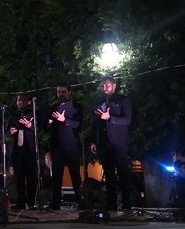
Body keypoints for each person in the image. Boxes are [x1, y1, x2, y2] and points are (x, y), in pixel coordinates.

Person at [89, 76, 133, 211]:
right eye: (102, 86)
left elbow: (126, 120)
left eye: (107, 86)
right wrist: (93, 140)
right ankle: (111, 203)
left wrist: (110, 118)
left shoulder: (123, 99)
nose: (104, 88)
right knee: (108, 174)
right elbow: (95, 122)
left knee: (123, 172)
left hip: (119, 141)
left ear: (114, 86)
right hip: (104, 142)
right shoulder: (99, 102)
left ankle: (127, 203)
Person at [47, 83, 83, 210]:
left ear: (69, 92)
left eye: (63, 92)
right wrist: (50, 122)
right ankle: (55, 203)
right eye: (58, 92)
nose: (60, 94)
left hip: (71, 144)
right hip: (57, 146)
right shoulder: (54, 107)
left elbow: (78, 124)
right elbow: (47, 126)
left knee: (75, 175)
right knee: (56, 176)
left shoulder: (76, 106)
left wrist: (64, 120)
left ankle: (81, 202)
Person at [9, 94, 38, 210]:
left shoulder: (34, 113)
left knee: (31, 177)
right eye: (18, 100)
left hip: (29, 150)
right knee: (19, 178)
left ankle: (31, 202)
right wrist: (10, 132)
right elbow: (7, 130)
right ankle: (20, 202)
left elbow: (39, 128)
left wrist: (30, 125)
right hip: (17, 150)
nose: (20, 102)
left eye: (23, 100)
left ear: (29, 102)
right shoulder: (13, 114)